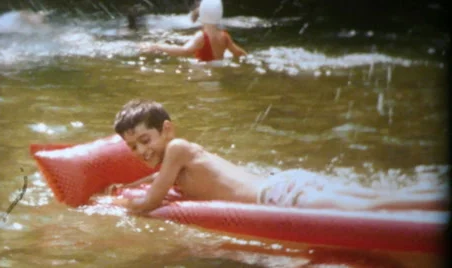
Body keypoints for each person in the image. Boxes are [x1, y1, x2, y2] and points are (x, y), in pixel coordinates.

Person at [109, 99, 448, 214]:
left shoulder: (179, 149)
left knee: (371, 208)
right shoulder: (178, 158)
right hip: (284, 185)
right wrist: (128, 183)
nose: (141, 151)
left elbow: (150, 202)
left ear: (166, 130)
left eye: (145, 139)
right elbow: (156, 180)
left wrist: (117, 204)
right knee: (376, 200)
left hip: (278, 197)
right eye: (133, 147)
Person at [141, 0, 247, 61]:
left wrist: (158, 46)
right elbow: (238, 52)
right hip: (218, 66)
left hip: (203, 71)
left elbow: (184, 51)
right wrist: (248, 56)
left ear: (202, 14)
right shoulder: (224, 36)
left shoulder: (201, 37)